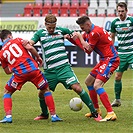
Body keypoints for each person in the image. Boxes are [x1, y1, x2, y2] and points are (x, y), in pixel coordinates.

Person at [28, 14, 102, 122]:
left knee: (77, 88)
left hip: (64, 68)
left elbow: (76, 34)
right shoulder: (40, 34)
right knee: (42, 93)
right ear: (45, 25)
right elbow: (30, 43)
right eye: (49, 28)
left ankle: (94, 113)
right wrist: (28, 46)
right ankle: (44, 114)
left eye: (53, 27)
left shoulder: (61, 30)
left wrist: (82, 41)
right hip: (49, 71)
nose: (52, 29)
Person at [0, 29, 62, 123]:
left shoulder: (1, 53)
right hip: (33, 70)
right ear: (9, 36)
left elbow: (7, 72)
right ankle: (53, 116)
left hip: (19, 74)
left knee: (7, 92)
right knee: (46, 90)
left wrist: (14, 68)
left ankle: (8, 117)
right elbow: (31, 48)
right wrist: (38, 58)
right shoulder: (18, 40)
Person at [69, 16, 120, 121]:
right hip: (104, 60)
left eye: (82, 28)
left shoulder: (94, 33)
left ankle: (111, 113)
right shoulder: (90, 32)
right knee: (88, 82)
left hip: (111, 59)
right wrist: (71, 39)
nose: (82, 30)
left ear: (87, 24)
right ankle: (96, 110)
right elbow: (83, 45)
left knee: (97, 85)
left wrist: (80, 37)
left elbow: (88, 50)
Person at [110, 2, 133, 107]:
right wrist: (112, 49)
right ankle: (117, 100)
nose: (120, 13)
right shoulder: (114, 23)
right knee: (117, 77)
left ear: (126, 11)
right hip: (121, 54)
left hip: (132, 52)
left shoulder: (131, 21)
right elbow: (112, 37)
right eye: (119, 11)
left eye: (122, 11)